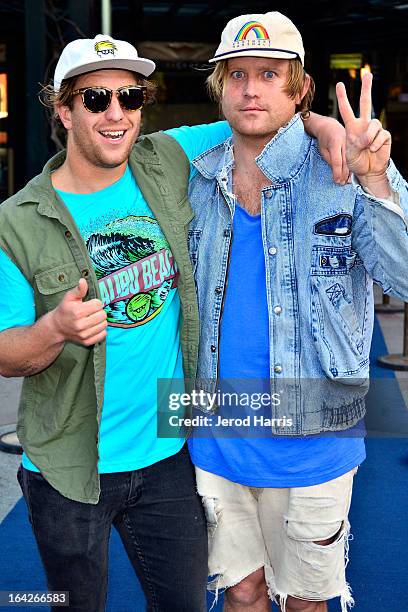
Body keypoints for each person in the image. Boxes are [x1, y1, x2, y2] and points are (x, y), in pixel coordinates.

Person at [0, 32, 346, 612]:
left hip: (169, 455)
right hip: (68, 463)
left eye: (130, 98)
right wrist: (54, 329)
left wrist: (325, 126)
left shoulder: (164, 159)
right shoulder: (17, 220)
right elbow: (8, 353)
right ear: (62, 109)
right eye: (94, 99)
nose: (116, 114)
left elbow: (260, 119)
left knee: (185, 604)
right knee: (68, 603)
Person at [185, 11, 408, 612]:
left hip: (316, 434)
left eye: (268, 73)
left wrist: (379, 182)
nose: (251, 88)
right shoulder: (195, 174)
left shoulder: (344, 170)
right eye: (236, 75)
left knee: (306, 603)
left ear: (298, 85)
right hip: (215, 432)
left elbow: (404, 276)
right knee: (243, 594)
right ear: (220, 87)